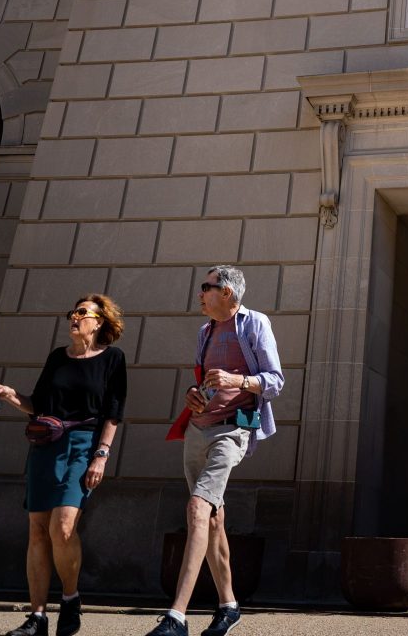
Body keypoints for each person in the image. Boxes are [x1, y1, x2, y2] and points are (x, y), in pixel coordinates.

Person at [147, 266, 283, 636]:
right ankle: (229, 605)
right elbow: (201, 382)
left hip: (234, 431)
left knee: (196, 507)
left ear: (226, 292)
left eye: (205, 288)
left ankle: (176, 616)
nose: (199, 295)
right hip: (198, 429)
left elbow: (275, 381)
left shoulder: (255, 324)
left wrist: (236, 379)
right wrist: (194, 396)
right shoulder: (204, 332)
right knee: (212, 518)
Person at [0, 294, 127, 636]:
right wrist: (8, 394)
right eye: (71, 312)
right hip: (46, 446)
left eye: (81, 312)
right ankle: (37, 617)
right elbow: (37, 404)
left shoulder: (112, 359)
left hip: (84, 445)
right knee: (37, 531)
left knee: (62, 528)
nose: (73, 318)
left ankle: (70, 596)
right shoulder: (57, 358)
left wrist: (101, 455)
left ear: (99, 320)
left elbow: (114, 412)